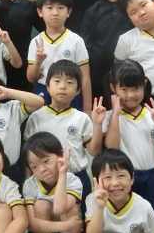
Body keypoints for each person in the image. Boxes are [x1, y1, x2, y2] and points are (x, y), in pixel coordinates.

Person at [102, 59, 154, 215]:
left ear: (144, 84)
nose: (130, 95)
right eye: (124, 89)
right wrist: (116, 114)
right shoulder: (109, 117)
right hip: (121, 178)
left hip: (151, 176)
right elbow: (112, 149)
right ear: (113, 88)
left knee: (149, 217)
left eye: (136, 89)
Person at [80, 0, 154, 104]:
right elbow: (85, 47)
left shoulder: (133, 6)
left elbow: (153, 8)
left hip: (134, 77)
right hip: (101, 80)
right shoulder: (92, 12)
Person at [23, 60, 102, 200]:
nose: (63, 86)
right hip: (44, 180)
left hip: (76, 176)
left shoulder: (81, 118)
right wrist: (27, 180)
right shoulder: (36, 117)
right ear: (47, 87)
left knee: (77, 213)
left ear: (78, 90)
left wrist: (97, 124)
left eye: (70, 82)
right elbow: (29, 155)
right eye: (57, 81)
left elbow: (94, 151)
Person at [22, 131, 85, 233]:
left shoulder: (73, 180)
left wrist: (62, 174)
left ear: (60, 156)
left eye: (46, 161)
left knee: (69, 208)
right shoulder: (30, 185)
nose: (42, 169)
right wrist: (67, 225)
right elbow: (32, 224)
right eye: (34, 166)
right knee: (41, 205)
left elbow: (59, 208)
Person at [27, 0, 92, 113]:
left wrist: (87, 111)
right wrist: (38, 61)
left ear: (68, 12)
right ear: (40, 12)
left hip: (70, 93)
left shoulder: (76, 40)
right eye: (49, 8)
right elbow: (31, 78)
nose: (55, 13)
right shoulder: (36, 42)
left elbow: (85, 78)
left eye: (60, 8)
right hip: (43, 93)